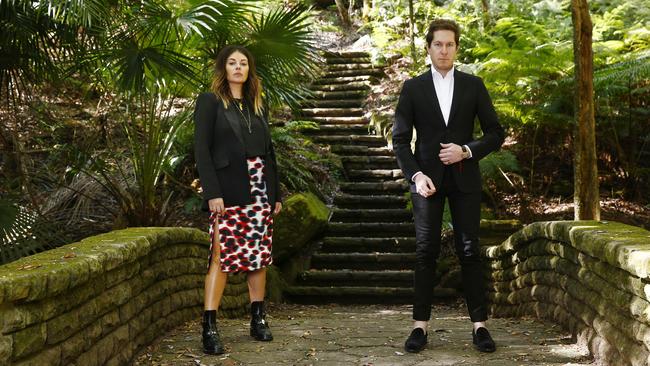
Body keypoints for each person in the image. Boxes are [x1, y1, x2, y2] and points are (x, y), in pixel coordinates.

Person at [392, 19, 505, 354]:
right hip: (426, 182)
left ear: (457, 47)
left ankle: (480, 327)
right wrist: (415, 175)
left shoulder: (474, 85)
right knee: (425, 252)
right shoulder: (413, 88)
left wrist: (466, 150)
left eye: (449, 44)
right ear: (428, 47)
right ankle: (419, 328)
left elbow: (496, 133)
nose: (443, 50)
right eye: (437, 44)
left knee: (470, 251)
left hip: (465, 179)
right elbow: (400, 140)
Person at [193, 45, 282, 355]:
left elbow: (270, 152)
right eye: (232, 62)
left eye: (243, 63)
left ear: (249, 70)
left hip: (260, 188)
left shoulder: (258, 104)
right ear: (223, 68)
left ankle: (258, 319)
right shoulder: (210, 102)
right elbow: (202, 150)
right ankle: (210, 326)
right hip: (228, 189)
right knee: (221, 255)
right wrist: (212, 192)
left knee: (259, 255)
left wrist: (276, 193)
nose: (238, 67)